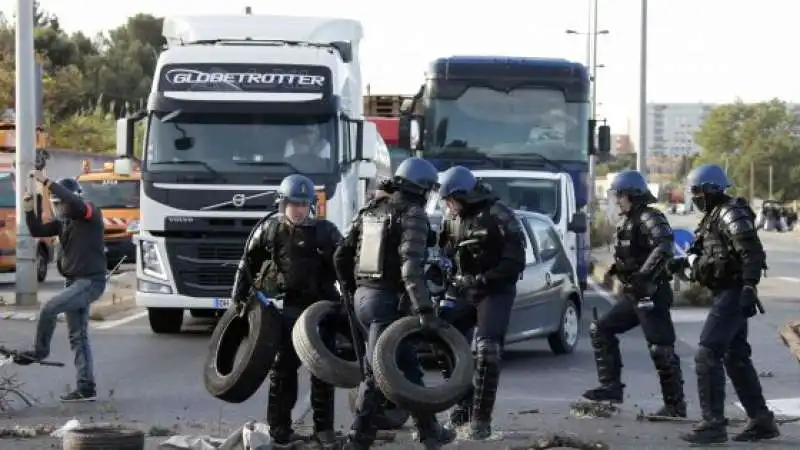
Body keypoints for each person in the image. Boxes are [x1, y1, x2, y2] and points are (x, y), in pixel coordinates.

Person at [334, 157, 454, 450]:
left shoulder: (370, 210)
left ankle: (430, 433)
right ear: (423, 187)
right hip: (388, 303)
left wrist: (352, 290)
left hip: (364, 299)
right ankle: (357, 440)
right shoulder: (412, 214)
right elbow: (411, 269)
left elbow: (340, 255)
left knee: (409, 366)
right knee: (377, 375)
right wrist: (425, 310)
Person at [230, 174, 342, 449]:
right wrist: (238, 298)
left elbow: (345, 264)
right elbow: (249, 262)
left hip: (322, 310)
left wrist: (347, 297)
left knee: (323, 373)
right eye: (293, 204)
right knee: (283, 370)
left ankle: (324, 431)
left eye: (304, 204)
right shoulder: (271, 230)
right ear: (283, 204)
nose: (299, 209)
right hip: (289, 308)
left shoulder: (326, 231)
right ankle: (280, 429)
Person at [675, 164, 779, 444]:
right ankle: (761, 420)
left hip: (734, 292)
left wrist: (748, 286)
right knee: (735, 358)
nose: (694, 197)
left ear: (710, 189)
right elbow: (702, 256)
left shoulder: (731, 212)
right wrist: (682, 264)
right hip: (724, 292)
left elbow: (753, 253)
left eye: (697, 191)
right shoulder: (711, 217)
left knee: (707, 354)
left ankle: (713, 424)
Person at [582, 170, 686, 418]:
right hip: (633, 294)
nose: (617, 201)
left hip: (652, 293)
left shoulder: (650, 216)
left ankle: (675, 405)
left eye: (621, 196)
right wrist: (618, 268)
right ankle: (611, 388)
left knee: (660, 348)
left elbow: (664, 246)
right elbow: (635, 251)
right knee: (601, 329)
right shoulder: (629, 220)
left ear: (633, 195)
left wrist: (644, 274)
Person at [436, 165, 526, 439]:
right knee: (441, 339)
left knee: (487, 350)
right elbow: (444, 254)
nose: (448, 206)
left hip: (494, 290)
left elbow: (515, 262)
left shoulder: (499, 216)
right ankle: (463, 404)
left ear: (463, 195)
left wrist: (485, 279)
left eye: (450, 200)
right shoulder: (450, 220)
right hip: (462, 289)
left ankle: (480, 419)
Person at [15, 173, 107, 403]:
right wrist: (29, 208)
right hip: (74, 282)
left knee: (49, 308)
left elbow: (75, 204)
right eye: (56, 205)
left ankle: (40, 351)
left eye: (62, 204)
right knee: (78, 336)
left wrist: (47, 182)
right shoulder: (63, 223)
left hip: (90, 282)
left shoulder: (90, 213)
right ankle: (86, 388)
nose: (60, 210)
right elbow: (37, 230)